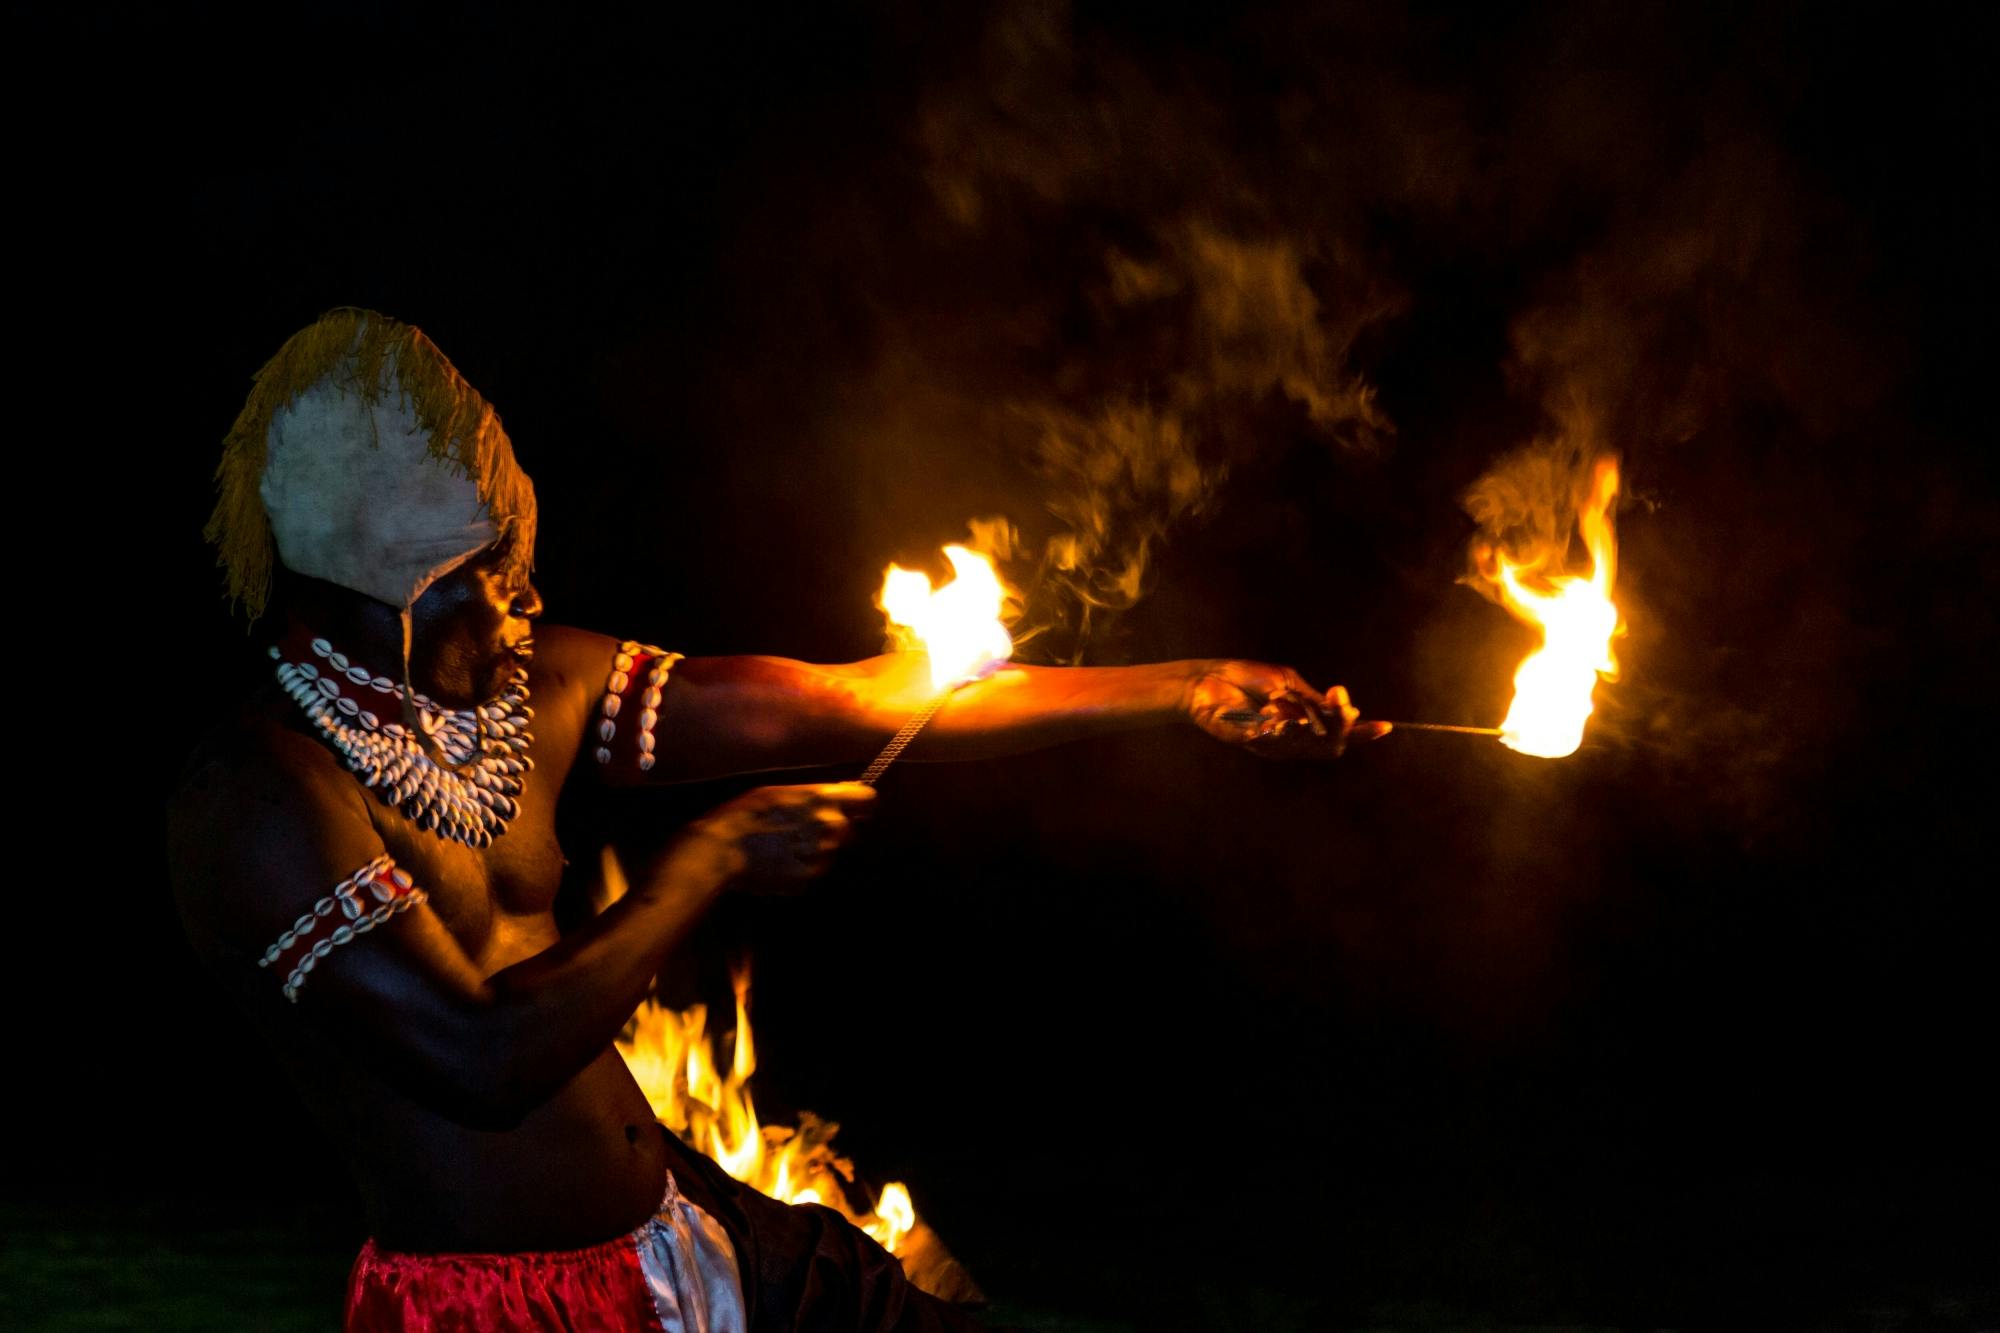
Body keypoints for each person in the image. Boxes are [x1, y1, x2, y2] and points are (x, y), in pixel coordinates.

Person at [169, 308, 1386, 1333]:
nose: (526, 589)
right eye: (488, 566)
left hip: (690, 1232)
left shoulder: (538, 683)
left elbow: (853, 700)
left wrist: (1182, 686)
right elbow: (480, 1058)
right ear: (391, 589)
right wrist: (708, 861)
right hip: (503, 1309)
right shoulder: (264, 800)